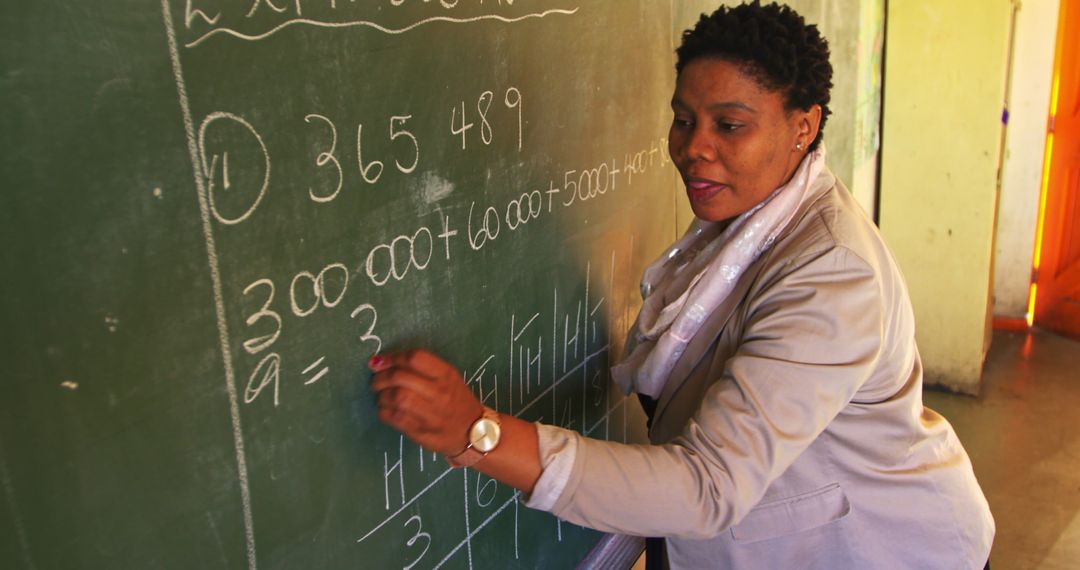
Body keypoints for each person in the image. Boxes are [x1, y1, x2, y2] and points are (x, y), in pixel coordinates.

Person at [368, 2, 995, 568]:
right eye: (683, 119)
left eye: (730, 125)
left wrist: (478, 433)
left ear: (804, 126)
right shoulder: (741, 222)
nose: (693, 148)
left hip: (877, 551)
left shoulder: (832, 273)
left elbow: (708, 487)